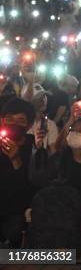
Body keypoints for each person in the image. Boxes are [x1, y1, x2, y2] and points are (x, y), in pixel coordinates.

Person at [0, 97, 35, 247]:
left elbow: (29, 189)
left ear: (29, 125)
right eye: (9, 119)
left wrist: (16, 160)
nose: (14, 124)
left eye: (20, 120)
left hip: (18, 210)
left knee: (15, 231)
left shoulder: (34, 148)